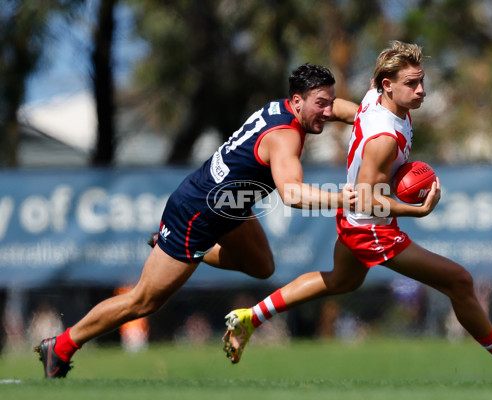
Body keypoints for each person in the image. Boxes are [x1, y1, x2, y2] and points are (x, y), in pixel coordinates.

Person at [222, 41, 492, 382]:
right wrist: (416, 210)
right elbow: (367, 199)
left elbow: (339, 108)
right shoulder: (384, 138)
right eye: (412, 83)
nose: (421, 90)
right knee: (459, 280)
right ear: (387, 86)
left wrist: (351, 117)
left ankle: (251, 316)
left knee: (339, 281)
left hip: (357, 221)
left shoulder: (373, 100)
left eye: (421, 80)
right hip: (370, 229)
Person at [35, 63, 358, 378]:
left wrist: (374, 118)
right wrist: (343, 198)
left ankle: (168, 245)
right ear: (298, 101)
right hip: (196, 214)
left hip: (229, 205)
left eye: (329, 103)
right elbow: (292, 194)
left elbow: (340, 107)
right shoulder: (285, 136)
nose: (328, 112)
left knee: (262, 266)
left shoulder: (288, 106)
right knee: (144, 300)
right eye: (321, 105)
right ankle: (60, 346)